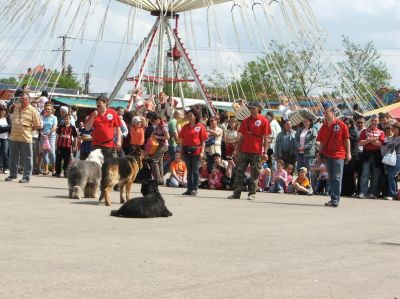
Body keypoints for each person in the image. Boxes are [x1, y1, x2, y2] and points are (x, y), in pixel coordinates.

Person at [228, 101, 271, 200]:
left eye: (253, 108)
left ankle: (252, 193)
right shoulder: (245, 120)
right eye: (250, 108)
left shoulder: (264, 121)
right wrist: (236, 149)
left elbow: (266, 139)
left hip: (256, 152)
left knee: (255, 173)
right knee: (239, 172)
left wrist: (265, 152)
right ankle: (236, 193)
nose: (251, 110)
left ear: (258, 108)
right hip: (244, 150)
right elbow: (241, 137)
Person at [317, 105, 351, 207]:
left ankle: (335, 199)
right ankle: (333, 198)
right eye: (324, 113)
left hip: (339, 155)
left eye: (327, 113)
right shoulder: (323, 126)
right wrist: (320, 154)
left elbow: (347, 139)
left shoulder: (341, 125)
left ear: (332, 113)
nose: (325, 115)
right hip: (328, 155)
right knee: (331, 177)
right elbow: (322, 142)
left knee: (337, 177)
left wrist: (348, 153)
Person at [5, 93, 42, 183]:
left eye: (23, 99)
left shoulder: (33, 110)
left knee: (28, 157)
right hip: (14, 136)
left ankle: (26, 177)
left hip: (26, 137)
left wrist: (28, 129)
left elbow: (38, 125)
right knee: (13, 157)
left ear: (28, 100)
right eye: (20, 99)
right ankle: (13, 174)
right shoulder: (16, 108)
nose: (20, 100)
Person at [179, 109, 208, 196]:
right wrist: (181, 151)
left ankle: (194, 189)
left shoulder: (200, 126)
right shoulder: (185, 127)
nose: (188, 117)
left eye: (190, 115)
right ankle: (189, 189)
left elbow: (203, 140)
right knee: (189, 170)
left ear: (195, 116)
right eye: (188, 115)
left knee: (195, 170)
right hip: (186, 150)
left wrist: (202, 152)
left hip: (196, 151)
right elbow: (181, 140)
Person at [85, 96, 122, 161]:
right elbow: (87, 128)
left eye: (99, 103)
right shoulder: (93, 114)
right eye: (97, 103)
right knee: (95, 165)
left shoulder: (112, 112)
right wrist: (93, 117)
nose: (97, 105)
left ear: (105, 103)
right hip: (96, 145)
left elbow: (118, 127)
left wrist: (119, 140)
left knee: (109, 166)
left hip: (108, 145)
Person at [357, 114, 384, 199]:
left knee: (375, 175)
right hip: (366, 153)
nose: (374, 122)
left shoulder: (381, 132)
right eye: (372, 121)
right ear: (370, 121)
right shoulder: (364, 131)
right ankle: (363, 192)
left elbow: (380, 144)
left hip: (376, 155)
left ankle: (372, 192)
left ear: (378, 122)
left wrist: (369, 140)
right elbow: (360, 143)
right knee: (364, 174)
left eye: (375, 121)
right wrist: (372, 140)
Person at [380, 122, 400, 200]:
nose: (393, 130)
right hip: (390, 158)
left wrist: (387, 143)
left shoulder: (398, 138)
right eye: (393, 128)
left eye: (395, 128)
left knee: (391, 175)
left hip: (398, 157)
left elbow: (392, 145)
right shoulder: (391, 137)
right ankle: (394, 193)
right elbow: (385, 142)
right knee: (392, 176)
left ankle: (392, 194)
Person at [148, 114, 169, 184]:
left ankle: (157, 179)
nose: (153, 123)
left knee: (154, 161)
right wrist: (152, 137)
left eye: (154, 121)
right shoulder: (158, 126)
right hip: (159, 145)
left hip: (163, 145)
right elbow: (152, 134)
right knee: (159, 162)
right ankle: (161, 180)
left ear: (158, 119)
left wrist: (157, 137)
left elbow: (167, 137)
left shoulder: (163, 126)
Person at [39, 102, 58, 175]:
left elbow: (54, 127)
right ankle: (46, 169)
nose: (47, 110)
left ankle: (53, 169)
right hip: (43, 136)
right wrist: (41, 133)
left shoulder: (54, 118)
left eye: (49, 109)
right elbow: (40, 127)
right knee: (44, 153)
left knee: (52, 153)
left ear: (52, 110)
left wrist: (48, 134)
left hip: (51, 136)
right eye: (46, 109)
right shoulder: (43, 117)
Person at [164, 110, 182, 175]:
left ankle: (162, 174)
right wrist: (178, 142)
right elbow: (174, 133)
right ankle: (161, 173)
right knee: (173, 161)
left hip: (172, 144)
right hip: (173, 144)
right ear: (176, 114)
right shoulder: (174, 122)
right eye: (180, 115)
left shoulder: (172, 121)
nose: (181, 116)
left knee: (172, 161)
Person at [0, 103, 11, 174]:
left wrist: (2, 128)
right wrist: (5, 128)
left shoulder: (7, 118)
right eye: (1, 110)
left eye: (4, 110)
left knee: (5, 153)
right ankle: (0, 167)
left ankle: (6, 167)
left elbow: (10, 127)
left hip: (6, 138)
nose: (3, 111)